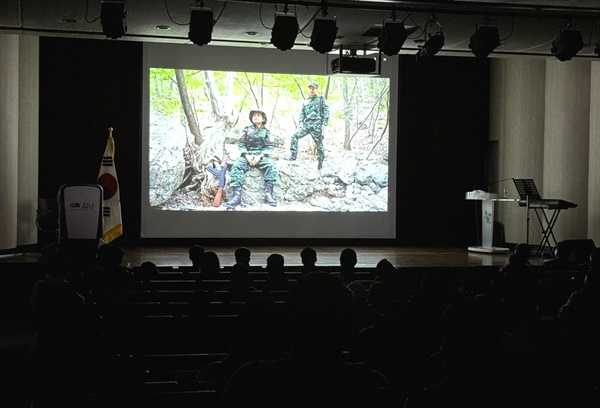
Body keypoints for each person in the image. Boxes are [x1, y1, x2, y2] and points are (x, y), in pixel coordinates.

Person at [226, 109, 278, 209]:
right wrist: (246, 155)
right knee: (236, 166)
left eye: (258, 115)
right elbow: (241, 143)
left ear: (263, 119)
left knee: (271, 166)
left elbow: (270, 146)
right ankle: (236, 196)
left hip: (261, 156)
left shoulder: (267, 131)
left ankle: (268, 195)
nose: (255, 117)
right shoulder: (246, 130)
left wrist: (260, 156)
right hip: (247, 155)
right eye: (254, 115)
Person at [286, 82, 330, 170]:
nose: (311, 90)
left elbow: (326, 111)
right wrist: (301, 122)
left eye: (313, 88)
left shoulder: (321, 99)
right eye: (310, 88)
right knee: (294, 136)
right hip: (307, 124)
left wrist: (324, 123)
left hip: (316, 125)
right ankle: (293, 156)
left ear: (316, 89)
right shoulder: (306, 101)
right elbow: (302, 113)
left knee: (319, 145)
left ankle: (320, 163)